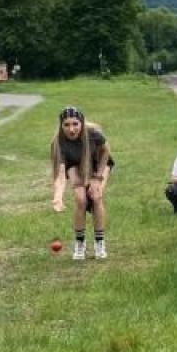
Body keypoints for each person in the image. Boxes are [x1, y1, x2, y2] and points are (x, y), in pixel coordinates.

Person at [50, 106, 113, 259]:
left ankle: (99, 242)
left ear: (81, 123)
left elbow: (106, 152)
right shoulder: (58, 143)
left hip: (97, 163)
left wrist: (97, 178)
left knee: (95, 197)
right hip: (74, 164)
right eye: (66, 125)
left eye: (75, 124)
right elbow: (59, 175)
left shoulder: (92, 134)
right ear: (61, 125)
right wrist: (58, 197)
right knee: (80, 199)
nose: (71, 129)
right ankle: (80, 244)